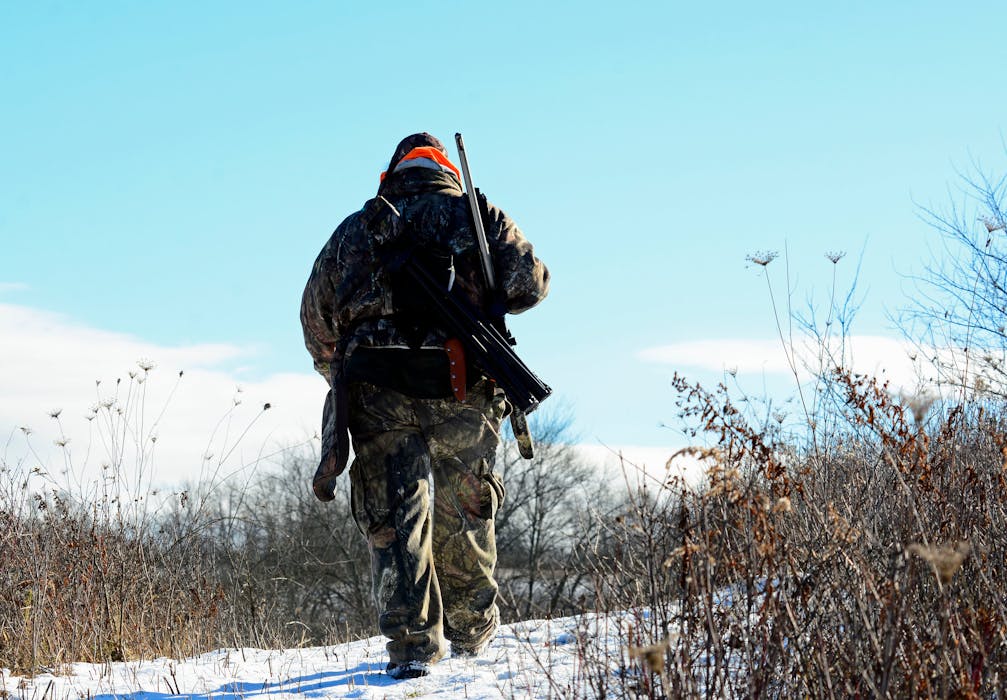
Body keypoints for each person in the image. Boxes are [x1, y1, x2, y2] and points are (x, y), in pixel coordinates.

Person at [300, 133, 549, 679]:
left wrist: (340, 376)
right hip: (462, 385)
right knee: (467, 507)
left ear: (391, 175)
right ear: (446, 173)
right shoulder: (477, 217)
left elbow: (316, 323)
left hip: (376, 390)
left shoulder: (355, 231)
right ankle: (472, 638)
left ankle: (413, 647)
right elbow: (530, 285)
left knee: (394, 514)